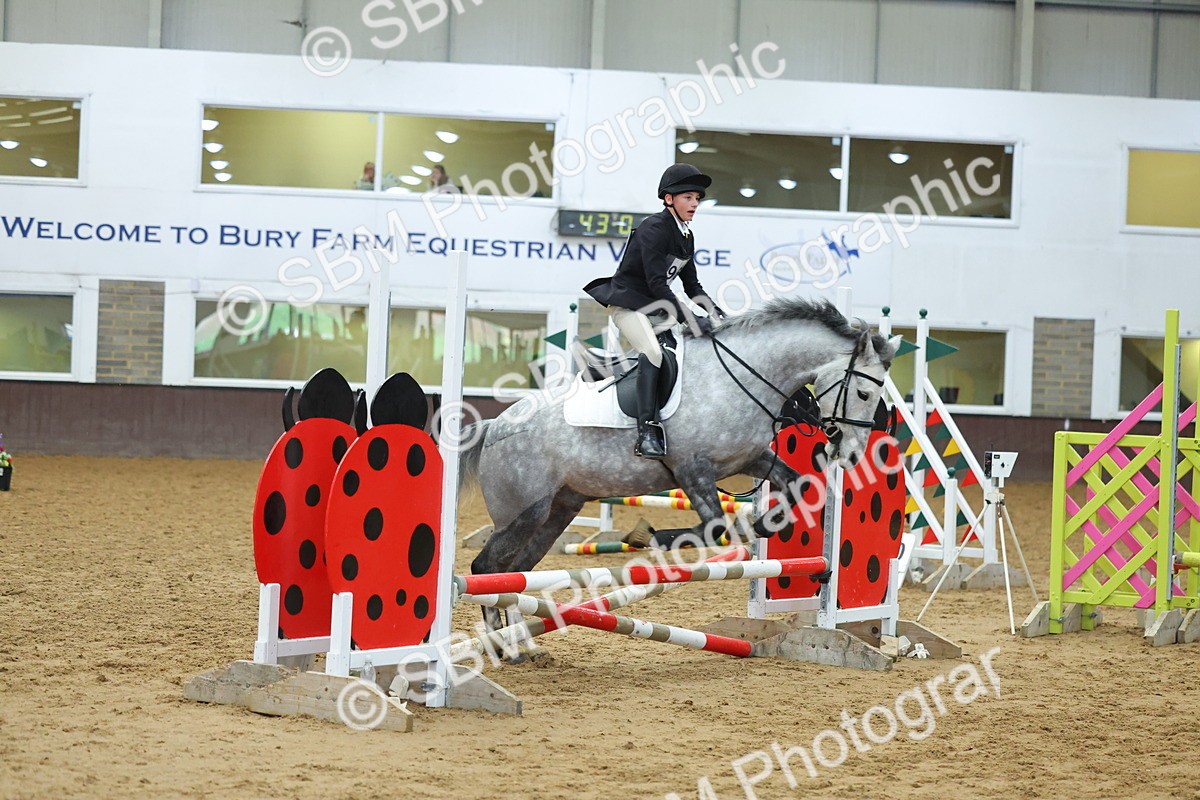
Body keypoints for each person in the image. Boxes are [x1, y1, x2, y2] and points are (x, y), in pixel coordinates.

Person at [583, 163, 727, 460]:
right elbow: (657, 283)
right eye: (688, 197)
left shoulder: (686, 235)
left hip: (657, 308)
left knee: (690, 349)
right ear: (669, 199)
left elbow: (692, 286)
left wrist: (716, 314)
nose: (695, 204)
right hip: (629, 305)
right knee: (653, 353)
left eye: (697, 198)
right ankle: (646, 430)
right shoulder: (653, 228)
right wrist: (690, 317)